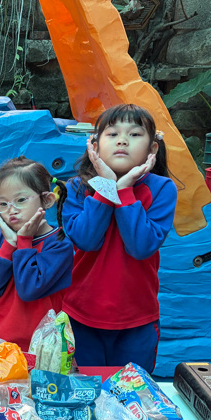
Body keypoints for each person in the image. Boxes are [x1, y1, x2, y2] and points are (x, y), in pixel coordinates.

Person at [61, 104, 177, 372]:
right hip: (81, 316)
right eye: (112, 134)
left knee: (132, 391)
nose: (122, 140)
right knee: (85, 390)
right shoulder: (77, 187)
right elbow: (86, 240)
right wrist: (105, 188)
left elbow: (141, 246)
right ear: (95, 146)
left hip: (137, 320)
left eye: (135, 134)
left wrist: (124, 190)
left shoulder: (162, 189)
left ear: (152, 149)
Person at [0, 157, 73, 351]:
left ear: (47, 200)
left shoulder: (58, 245)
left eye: (21, 200)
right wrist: (8, 245)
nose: (11, 210)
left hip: (36, 347)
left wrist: (24, 242)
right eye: (3, 204)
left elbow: (29, 290)